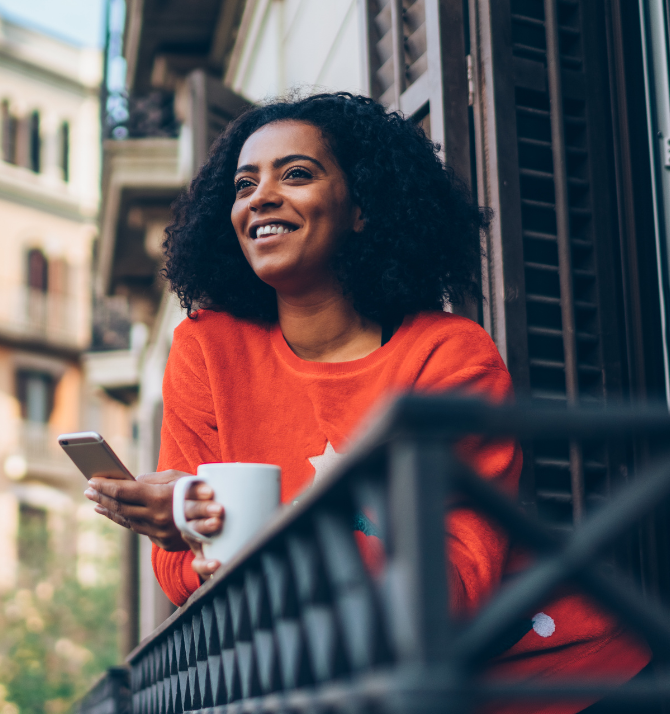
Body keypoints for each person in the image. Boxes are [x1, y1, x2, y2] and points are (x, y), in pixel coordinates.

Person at [83, 93, 648, 713]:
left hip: (570, 682)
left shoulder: (450, 355)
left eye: (296, 173)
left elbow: (445, 593)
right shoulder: (207, 350)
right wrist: (190, 524)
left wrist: (214, 523)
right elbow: (177, 571)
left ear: (361, 208)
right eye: (245, 184)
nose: (260, 197)